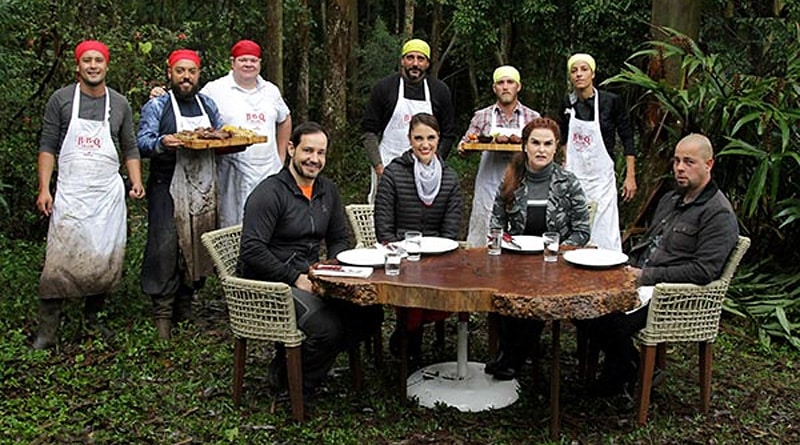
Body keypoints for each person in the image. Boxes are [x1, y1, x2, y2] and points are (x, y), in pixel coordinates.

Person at [584, 133, 739, 399]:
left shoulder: (718, 213)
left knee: (608, 320)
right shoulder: (671, 199)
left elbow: (705, 271)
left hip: (672, 294)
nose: (679, 167)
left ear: (709, 164)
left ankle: (624, 374)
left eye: (689, 161)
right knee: (583, 303)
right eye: (677, 160)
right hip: (641, 280)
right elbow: (649, 245)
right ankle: (633, 366)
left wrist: (645, 276)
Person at [239, 121, 384, 399]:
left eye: (321, 153)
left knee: (369, 314)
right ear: (291, 149)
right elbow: (252, 250)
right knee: (328, 329)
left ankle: (293, 367)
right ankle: (294, 388)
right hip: (271, 282)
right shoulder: (269, 193)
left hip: (312, 276)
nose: (314, 160)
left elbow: (340, 237)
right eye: (308, 151)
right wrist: (295, 278)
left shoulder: (327, 190)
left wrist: (331, 267)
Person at [34, 40, 145, 349]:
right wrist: (45, 188)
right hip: (71, 192)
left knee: (102, 257)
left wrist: (136, 181)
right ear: (77, 66)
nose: (93, 65)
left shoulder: (120, 103)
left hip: (107, 195)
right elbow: (48, 145)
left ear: (107, 66)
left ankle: (92, 321)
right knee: (57, 258)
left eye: (99, 60)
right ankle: (48, 331)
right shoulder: (61, 99)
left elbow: (130, 147)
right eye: (87, 60)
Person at [485, 117, 591, 380]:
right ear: (525, 146)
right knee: (509, 292)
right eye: (535, 143)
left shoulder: (568, 182)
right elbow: (497, 220)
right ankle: (513, 351)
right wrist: (501, 241)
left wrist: (559, 250)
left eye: (547, 144)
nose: (541, 149)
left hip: (555, 262)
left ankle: (511, 357)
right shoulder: (511, 178)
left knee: (537, 294)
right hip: (516, 258)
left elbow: (582, 230)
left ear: (557, 148)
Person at [137, 48, 223, 339]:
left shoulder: (208, 104)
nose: (186, 77)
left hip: (201, 186)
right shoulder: (158, 105)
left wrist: (227, 141)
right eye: (180, 71)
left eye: (191, 72)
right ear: (170, 72)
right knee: (164, 247)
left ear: (198, 74)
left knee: (196, 246)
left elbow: (222, 135)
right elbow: (142, 143)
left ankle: (186, 306)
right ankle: (162, 314)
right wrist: (163, 142)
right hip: (166, 183)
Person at [374, 113, 462, 361]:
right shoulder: (393, 173)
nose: (425, 144)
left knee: (448, 293)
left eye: (431, 138)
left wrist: (438, 254)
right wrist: (396, 252)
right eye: (419, 138)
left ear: (439, 139)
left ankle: (407, 332)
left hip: (437, 256)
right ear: (410, 139)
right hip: (400, 255)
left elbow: (451, 227)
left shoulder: (450, 176)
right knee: (414, 287)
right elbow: (383, 223)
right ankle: (408, 341)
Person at [199, 39, 292, 228]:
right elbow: (193, 111)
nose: (248, 64)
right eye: (243, 60)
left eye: (253, 60)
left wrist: (281, 156)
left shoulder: (270, 90)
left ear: (259, 64)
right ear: (232, 62)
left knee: (271, 220)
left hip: (268, 169)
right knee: (234, 222)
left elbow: (285, 119)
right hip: (232, 170)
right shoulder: (214, 89)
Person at [362, 38, 456, 203]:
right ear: (402, 61)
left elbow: (448, 134)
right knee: (383, 215)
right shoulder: (384, 88)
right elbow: (369, 132)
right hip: (387, 165)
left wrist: (435, 164)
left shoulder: (440, 91)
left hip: (427, 169)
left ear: (427, 64)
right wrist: (379, 167)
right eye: (410, 58)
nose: (415, 64)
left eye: (421, 59)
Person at [559, 53, 637, 252]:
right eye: (574, 71)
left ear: (593, 73)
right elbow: (564, 137)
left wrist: (630, 176)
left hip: (601, 180)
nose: (579, 75)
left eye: (584, 69)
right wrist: (565, 162)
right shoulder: (567, 103)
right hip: (574, 178)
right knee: (574, 229)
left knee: (604, 232)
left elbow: (628, 138)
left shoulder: (611, 102)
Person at [458, 65, 540, 247]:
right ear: (494, 88)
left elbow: (542, 152)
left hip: (522, 184)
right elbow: (464, 145)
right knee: (483, 237)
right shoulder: (482, 116)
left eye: (510, 82)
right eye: (500, 83)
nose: (505, 86)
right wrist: (466, 148)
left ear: (518, 86)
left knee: (520, 239)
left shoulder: (532, 117)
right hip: (488, 187)